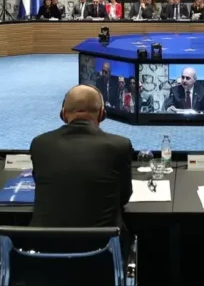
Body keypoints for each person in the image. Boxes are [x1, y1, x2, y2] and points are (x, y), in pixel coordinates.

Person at [29, 85, 134, 254]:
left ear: (63, 114)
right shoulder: (120, 146)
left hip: (45, 258)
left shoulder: (39, 144)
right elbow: (124, 197)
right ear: (102, 114)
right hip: (103, 259)